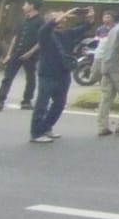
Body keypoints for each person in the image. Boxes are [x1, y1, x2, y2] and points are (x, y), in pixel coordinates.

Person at [31, 8, 91, 143]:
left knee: (59, 103)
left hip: (63, 73)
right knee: (42, 104)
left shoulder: (66, 34)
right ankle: (36, 132)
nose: (64, 17)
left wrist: (89, 18)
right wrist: (64, 14)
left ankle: (47, 127)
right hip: (47, 74)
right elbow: (49, 26)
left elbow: (85, 27)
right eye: (59, 16)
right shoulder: (44, 33)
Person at [0, 0, 44, 112]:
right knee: (7, 77)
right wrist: (9, 54)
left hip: (31, 54)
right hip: (16, 52)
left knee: (30, 78)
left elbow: (41, 41)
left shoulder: (41, 21)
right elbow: (15, 38)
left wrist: (30, 53)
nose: (23, 6)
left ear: (32, 6)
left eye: (26, 4)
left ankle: (26, 101)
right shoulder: (22, 20)